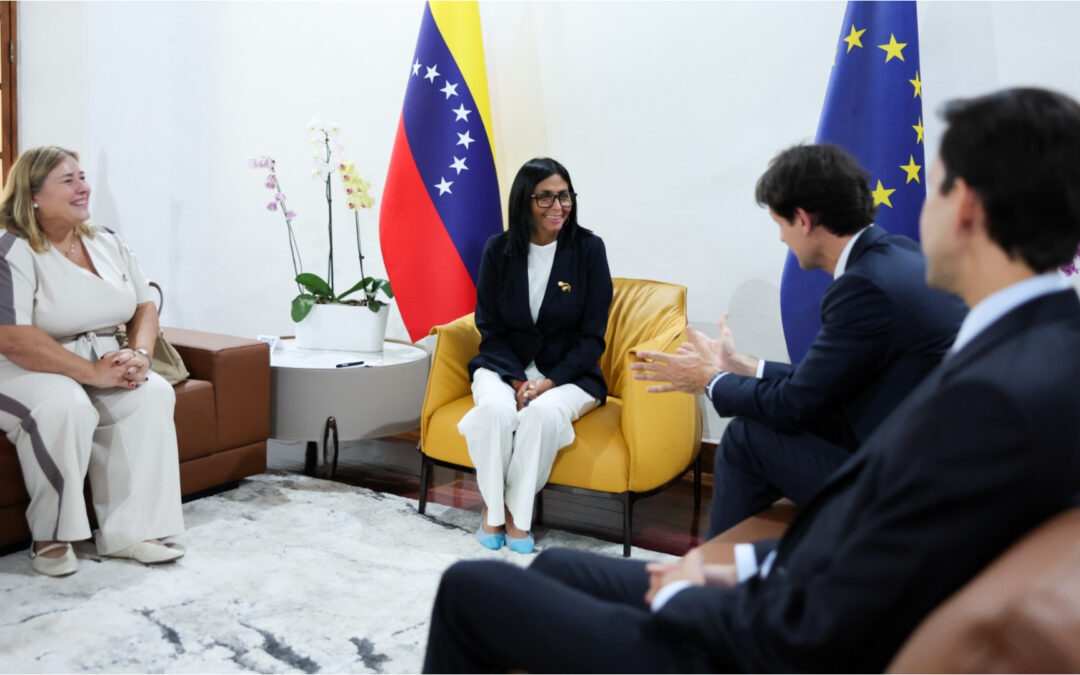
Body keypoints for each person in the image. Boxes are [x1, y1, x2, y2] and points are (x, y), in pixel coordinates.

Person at [422, 87, 1080, 673]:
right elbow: (879, 520)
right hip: (783, 585)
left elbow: (839, 608)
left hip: (753, 639)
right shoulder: (1033, 345)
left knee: (469, 590)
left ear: (963, 206)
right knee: (558, 565)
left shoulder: (991, 398)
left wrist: (690, 591)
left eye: (933, 185)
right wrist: (738, 560)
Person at [631, 143, 966, 537]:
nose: (782, 240)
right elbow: (827, 383)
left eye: (780, 225)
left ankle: (719, 580)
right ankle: (759, 571)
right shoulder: (900, 253)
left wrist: (709, 381)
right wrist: (745, 367)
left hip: (903, 490)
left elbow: (796, 405)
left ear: (803, 220)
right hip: (934, 465)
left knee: (747, 437)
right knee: (756, 434)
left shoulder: (864, 287)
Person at [0, 146, 185, 577]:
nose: (83, 187)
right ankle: (51, 537)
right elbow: (13, 337)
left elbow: (144, 306)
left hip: (98, 358)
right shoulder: (12, 249)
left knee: (151, 392)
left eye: (82, 177)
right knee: (65, 404)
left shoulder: (105, 240)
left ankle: (133, 532)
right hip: (21, 366)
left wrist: (139, 356)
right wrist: (91, 373)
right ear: (33, 196)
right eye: (68, 181)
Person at [457, 157, 612, 554]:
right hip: (503, 367)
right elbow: (489, 327)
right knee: (495, 413)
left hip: (570, 375)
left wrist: (548, 382)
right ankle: (492, 511)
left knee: (542, 414)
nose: (557, 206)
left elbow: (592, 337)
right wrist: (515, 380)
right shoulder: (498, 250)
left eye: (564, 196)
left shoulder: (589, 250)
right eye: (545, 197)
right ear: (524, 201)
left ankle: (516, 520)